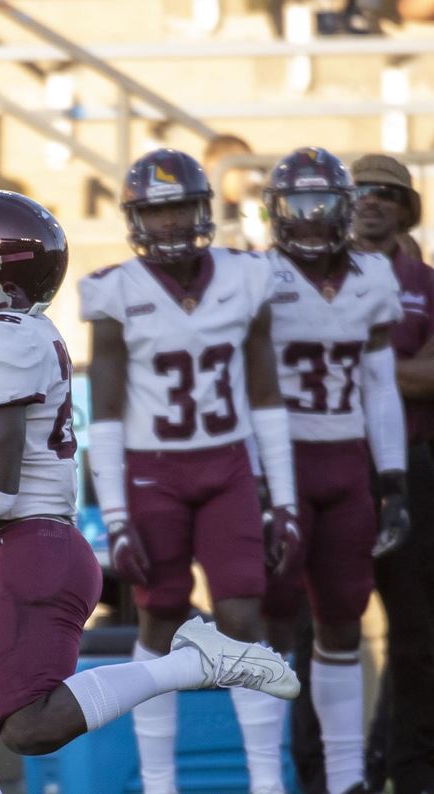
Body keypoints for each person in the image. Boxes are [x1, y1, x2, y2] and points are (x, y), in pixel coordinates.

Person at [0, 189, 300, 794]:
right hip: (22, 554)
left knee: (29, 725)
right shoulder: (10, 330)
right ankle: (191, 660)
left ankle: (194, 661)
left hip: (35, 553)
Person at [79, 149, 299, 794]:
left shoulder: (247, 276)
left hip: (228, 463)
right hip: (154, 472)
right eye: (157, 210)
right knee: (161, 616)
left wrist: (282, 499)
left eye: (179, 209)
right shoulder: (116, 288)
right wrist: (116, 518)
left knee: (241, 611)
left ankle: (266, 780)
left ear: (203, 210)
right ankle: (158, 781)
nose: (171, 224)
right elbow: (109, 413)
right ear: (136, 218)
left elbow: (265, 394)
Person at [259, 147, 409, 794]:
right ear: (274, 209)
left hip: (346, 464)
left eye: (323, 202)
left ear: (345, 208)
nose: (311, 217)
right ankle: (269, 774)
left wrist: (394, 479)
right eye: (299, 203)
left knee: (343, 619)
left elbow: (380, 386)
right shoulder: (254, 276)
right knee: (269, 622)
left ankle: (346, 778)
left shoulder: (374, 277)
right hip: (280, 464)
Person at [351, 153, 434, 794]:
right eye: (360, 190)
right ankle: (332, 772)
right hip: (328, 469)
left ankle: (408, 772)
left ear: (405, 206)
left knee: (415, 636)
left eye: (386, 191)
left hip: (413, 470)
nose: (372, 200)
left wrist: (355, 360)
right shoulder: (306, 276)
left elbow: (428, 377)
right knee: (319, 631)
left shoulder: (427, 284)